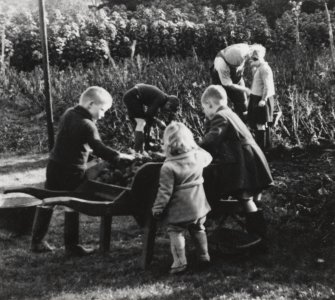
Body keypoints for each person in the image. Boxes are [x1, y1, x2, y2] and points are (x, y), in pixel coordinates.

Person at [31, 86, 132, 256]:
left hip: (55, 164)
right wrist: (119, 156)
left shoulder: (69, 113)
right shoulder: (87, 124)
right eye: (102, 110)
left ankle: (36, 242)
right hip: (72, 170)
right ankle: (72, 247)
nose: (104, 114)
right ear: (91, 104)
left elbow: (74, 140)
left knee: (48, 200)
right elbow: (99, 148)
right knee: (73, 203)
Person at [199, 85, 273, 247]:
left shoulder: (220, 116)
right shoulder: (230, 113)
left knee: (244, 197)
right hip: (251, 158)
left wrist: (193, 148)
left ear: (211, 104)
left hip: (244, 161)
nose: (205, 112)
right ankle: (257, 235)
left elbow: (211, 140)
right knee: (248, 198)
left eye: (205, 108)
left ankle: (259, 237)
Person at [152, 122, 212, 274]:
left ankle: (179, 263)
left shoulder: (168, 167)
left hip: (180, 209)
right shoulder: (198, 157)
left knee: (176, 232)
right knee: (199, 229)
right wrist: (196, 147)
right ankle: (204, 256)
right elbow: (209, 157)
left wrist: (158, 208)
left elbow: (164, 192)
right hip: (199, 206)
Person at [123, 83, 179, 153]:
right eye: (169, 109)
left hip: (133, 97)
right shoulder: (161, 98)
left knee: (141, 124)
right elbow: (149, 114)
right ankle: (138, 151)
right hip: (133, 97)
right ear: (168, 104)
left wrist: (154, 121)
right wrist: (158, 122)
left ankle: (142, 148)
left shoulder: (161, 98)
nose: (167, 111)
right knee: (141, 123)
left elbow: (150, 119)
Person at [210, 43, 257, 121]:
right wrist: (246, 89)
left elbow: (256, 55)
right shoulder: (221, 64)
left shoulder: (245, 49)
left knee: (243, 102)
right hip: (220, 80)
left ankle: (243, 121)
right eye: (234, 67)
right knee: (220, 104)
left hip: (236, 78)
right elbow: (229, 85)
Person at [248, 44, 275, 151]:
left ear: (258, 57)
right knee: (260, 124)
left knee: (261, 124)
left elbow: (267, 86)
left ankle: (261, 150)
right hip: (256, 98)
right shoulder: (259, 68)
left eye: (253, 58)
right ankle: (266, 148)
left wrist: (263, 99)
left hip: (262, 99)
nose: (251, 61)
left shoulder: (265, 68)